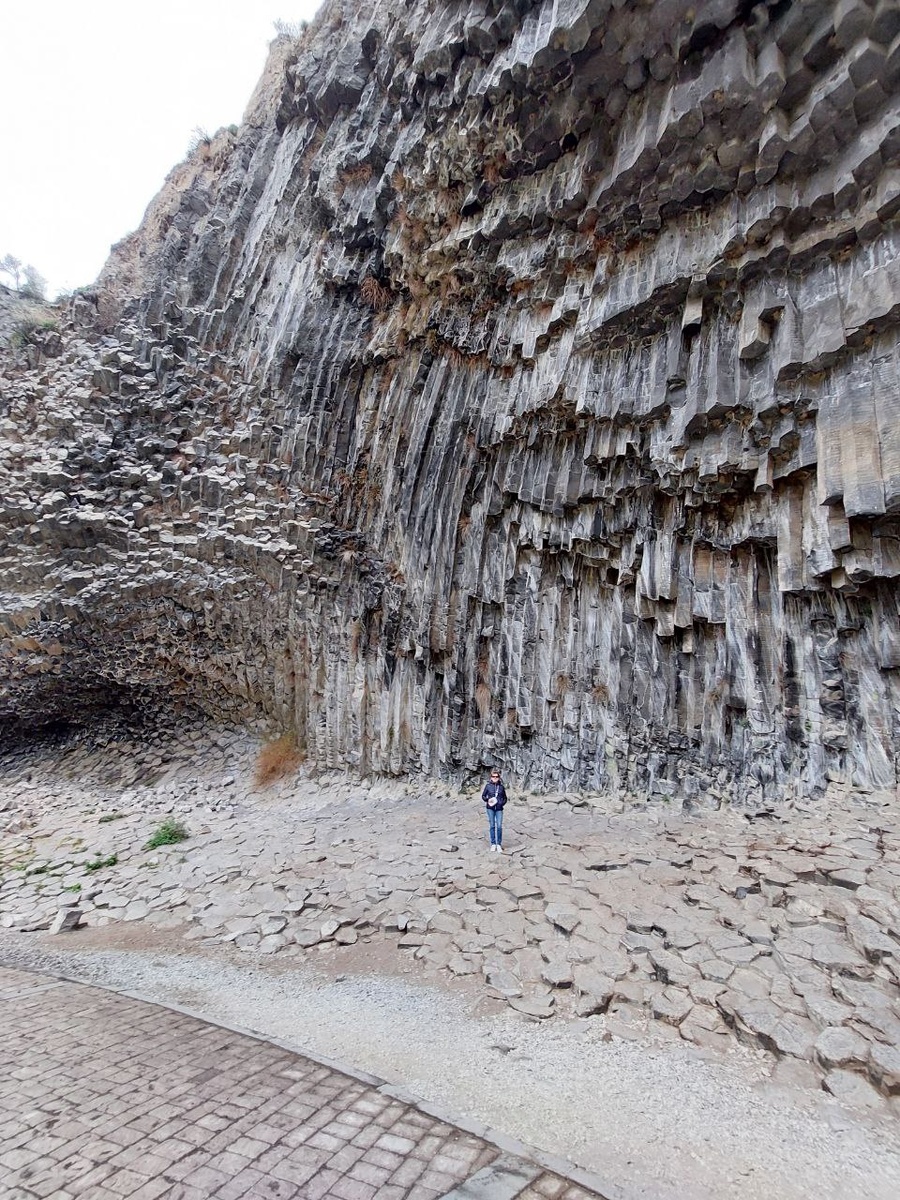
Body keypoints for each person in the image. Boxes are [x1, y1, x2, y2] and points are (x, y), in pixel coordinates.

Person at [481, 767, 507, 852]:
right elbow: (483, 796)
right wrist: (487, 800)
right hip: (490, 808)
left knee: (499, 826)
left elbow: (505, 798)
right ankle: (493, 844)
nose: (495, 778)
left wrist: (501, 803)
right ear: (491, 777)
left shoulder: (502, 787)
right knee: (492, 825)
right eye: (493, 776)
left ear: (499, 778)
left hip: (499, 809)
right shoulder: (488, 786)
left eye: (496, 776)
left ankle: (498, 844)